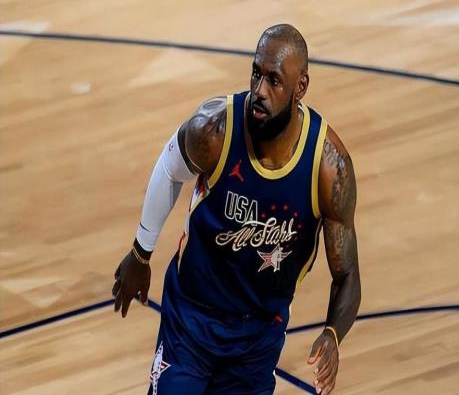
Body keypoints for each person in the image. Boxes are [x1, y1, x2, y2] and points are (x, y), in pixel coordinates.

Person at [112, 24, 361, 395]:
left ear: (301, 87)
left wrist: (333, 333)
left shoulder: (328, 167)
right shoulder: (215, 129)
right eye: (256, 73)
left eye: (274, 80)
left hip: (257, 337)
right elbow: (169, 169)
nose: (259, 90)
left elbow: (347, 274)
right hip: (191, 319)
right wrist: (140, 252)